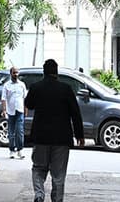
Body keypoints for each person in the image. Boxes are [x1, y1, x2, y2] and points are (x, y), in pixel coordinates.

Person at [25, 59, 85, 202]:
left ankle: (39, 195)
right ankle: (57, 199)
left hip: (41, 137)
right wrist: (80, 135)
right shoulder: (66, 89)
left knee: (38, 169)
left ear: (44, 72)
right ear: (56, 73)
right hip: (61, 138)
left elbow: (29, 104)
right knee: (58, 174)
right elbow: (75, 113)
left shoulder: (36, 87)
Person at [1, 67, 27, 159]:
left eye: (17, 72)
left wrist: (26, 110)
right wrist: (4, 110)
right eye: (14, 73)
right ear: (10, 73)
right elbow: (3, 99)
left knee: (19, 131)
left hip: (20, 110)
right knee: (11, 132)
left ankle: (20, 150)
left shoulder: (22, 85)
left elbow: (24, 98)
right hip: (10, 111)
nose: (16, 74)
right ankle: (12, 150)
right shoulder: (7, 85)